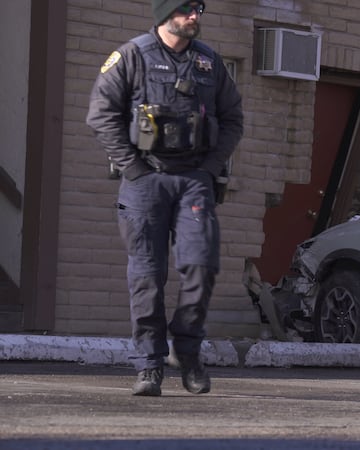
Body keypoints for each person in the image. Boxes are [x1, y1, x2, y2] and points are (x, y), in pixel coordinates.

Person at [86, 0, 243, 396]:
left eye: (199, 9)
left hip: (194, 179)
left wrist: (210, 168)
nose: (195, 16)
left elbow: (233, 119)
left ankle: (187, 352)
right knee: (147, 276)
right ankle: (149, 365)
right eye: (186, 8)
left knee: (201, 264)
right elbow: (101, 114)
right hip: (145, 179)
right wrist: (132, 167)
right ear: (165, 13)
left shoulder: (209, 62)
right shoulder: (131, 56)